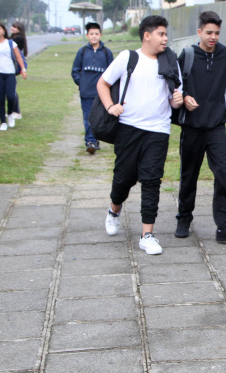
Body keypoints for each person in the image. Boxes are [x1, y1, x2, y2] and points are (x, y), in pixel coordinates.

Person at [97, 15, 183, 256]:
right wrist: (110, 106)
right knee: (124, 178)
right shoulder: (128, 57)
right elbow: (102, 84)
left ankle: (147, 234)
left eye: (166, 34)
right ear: (147, 35)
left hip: (158, 130)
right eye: (161, 34)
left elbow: (175, 98)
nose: (166, 38)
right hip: (128, 128)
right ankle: (114, 209)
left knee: (152, 179)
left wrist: (177, 101)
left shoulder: (171, 62)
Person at [175, 11, 226, 242]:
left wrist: (216, 103)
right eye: (209, 32)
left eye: (217, 32)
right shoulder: (186, 55)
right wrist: (185, 97)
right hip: (192, 127)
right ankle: (184, 219)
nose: (213, 37)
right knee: (189, 175)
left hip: (216, 126)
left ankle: (224, 226)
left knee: (222, 172)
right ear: (199, 32)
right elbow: (174, 87)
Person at [72, 22, 115, 154]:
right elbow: (75, 71)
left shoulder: (107, 53)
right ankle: (90, 141)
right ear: (87, 35)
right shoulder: (82, 52)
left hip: (102, 93)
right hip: (86, 93)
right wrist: (83, 83)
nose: (94, 36)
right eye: (91, 34)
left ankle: (96, 139)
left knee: (100, 117)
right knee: (88, 117)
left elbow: (113, 72)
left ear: (100, 35)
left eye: (96, 34)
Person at [0, 22, 27, 131]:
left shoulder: (11, 43)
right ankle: (3, 122)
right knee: (1, 98)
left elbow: (18, 57)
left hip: (10, 73)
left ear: (3, 30)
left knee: (11, 96)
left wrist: (23, 69)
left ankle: (10, 114)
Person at [8, 21, 28, 120]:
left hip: (13, 66)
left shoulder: (17, 39)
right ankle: (11, 110)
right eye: (12, 26)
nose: (12, 28)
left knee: (12, 90)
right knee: (10, 89)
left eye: (15, 27)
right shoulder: (12, 38)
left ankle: (16, 111)